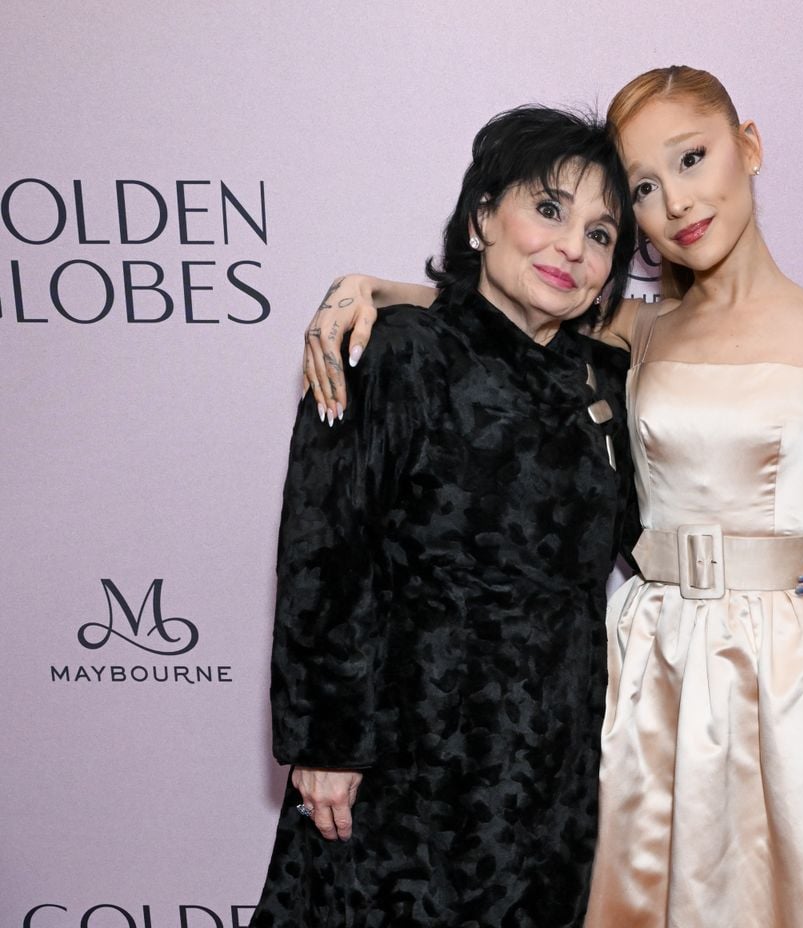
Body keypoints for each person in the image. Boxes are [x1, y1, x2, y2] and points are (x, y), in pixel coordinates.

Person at [300, 65, 803, 927]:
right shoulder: (635, 328)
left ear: (751, 147)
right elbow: (498, 306)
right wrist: (366, 288)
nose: (678, 205)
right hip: (651, 665)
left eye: (693, 159)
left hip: (796, 674)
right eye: (647, 188)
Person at [252, 106, 643, 928]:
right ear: (481, 216)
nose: (574, 246)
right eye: (548, 210)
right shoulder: (398, 350)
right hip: (404, 761)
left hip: (553, 769)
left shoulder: (602, 383)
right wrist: (324, 745)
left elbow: (669, 520)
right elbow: (326, 545)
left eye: (602, 234)